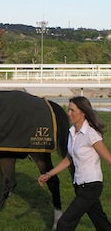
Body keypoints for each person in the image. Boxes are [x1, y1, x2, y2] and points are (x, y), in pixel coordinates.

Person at [38, 96, 111, 231]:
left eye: (72, 110)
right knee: (102, 224)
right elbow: (68, 159)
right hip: (79, 186)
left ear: (83, 112)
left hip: (91, 186)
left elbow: (108, 158)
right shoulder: (72, 133)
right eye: (69, 110)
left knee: (64, 224)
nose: (69, 113)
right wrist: (48, 174)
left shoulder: (91, 134)